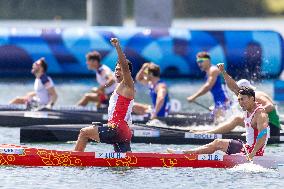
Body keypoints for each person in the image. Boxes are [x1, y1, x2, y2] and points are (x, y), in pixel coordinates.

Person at [168, 86, 270, 161]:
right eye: (239, 100)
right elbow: (233, 87)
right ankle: (187, 154)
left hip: (254, 152)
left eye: (242, 99)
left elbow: (263, 134)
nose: (240, 102)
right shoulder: (247, 108)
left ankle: (184, 154)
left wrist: (252, 154)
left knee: (218, 143)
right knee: (217, 143)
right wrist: (223, 72)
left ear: (252, 99)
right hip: (247, 147)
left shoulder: (260, 113)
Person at [74, 38, 134, 152]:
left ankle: (73, 160)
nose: (117, 72)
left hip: (117, 129)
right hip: (123, 131)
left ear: (127, 73)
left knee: (84, 133)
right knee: (124, 164)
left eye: (120, 70)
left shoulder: (128, 84)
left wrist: (117, 47)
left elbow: (125, 66)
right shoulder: (119, 89)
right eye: (116, 70)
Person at [202, 63, 280, 137]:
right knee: (241, 117)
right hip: (264, 125)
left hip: (272, 129)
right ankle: (211, 131)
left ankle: (209, 133)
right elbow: (232, 87)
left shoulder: (257, 95)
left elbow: (271, 106)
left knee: (238, 119)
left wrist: (254, 114)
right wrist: (223, 72)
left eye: (239, 91)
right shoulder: (247, 95)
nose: (237, 93)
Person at [186, 52, 230, 121]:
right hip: (219, 102)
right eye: (197, 62)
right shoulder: (209, 71)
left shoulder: (213, 70)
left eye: (201, 61)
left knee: (218, 124)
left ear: (208, 60)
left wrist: (194, 97)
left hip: (224, 101)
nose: (199, 64)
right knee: (216, 121)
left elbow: (208, 86)